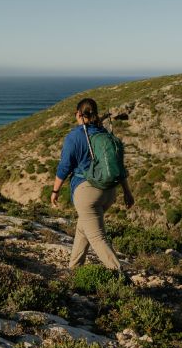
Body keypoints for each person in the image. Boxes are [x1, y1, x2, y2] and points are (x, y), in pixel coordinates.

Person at [50, 98, 134, 275]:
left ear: (78, 114)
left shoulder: (74, 136)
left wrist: (55, 190)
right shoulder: (104, 133)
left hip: (87, 194)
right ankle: (74, 270)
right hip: (109, 192)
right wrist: (127, 191)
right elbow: (118, 166)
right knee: (84, 228)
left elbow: (64, 166)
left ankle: (121, 278)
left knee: (97, 237)